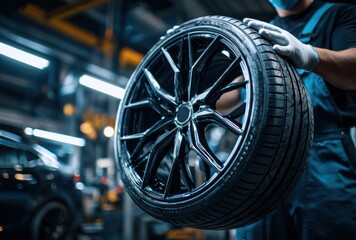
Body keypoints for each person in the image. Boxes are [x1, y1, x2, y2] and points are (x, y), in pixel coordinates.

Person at [235, 0, 356, 239]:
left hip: (323, 162)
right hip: (261, 168)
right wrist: (188, 63)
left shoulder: (340, 14)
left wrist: (312, 56)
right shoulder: (252, 34)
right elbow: (227, 95)